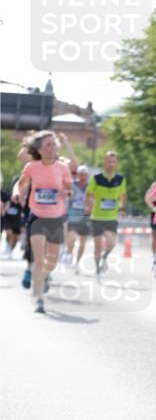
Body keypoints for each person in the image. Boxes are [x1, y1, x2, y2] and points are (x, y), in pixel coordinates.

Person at [15, 131, 72, 313]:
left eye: (54, 144)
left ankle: (42, 277)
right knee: (38, 259)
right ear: (39, 150)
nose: (52, 148)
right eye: (48, 145)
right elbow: (21, 183)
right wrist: (18, 193)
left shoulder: (62, 167)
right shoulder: (32, 167)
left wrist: (65, 192)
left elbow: (69, 188)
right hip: (37, 216)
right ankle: (39, 298)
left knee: (51, 262)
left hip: (56, 217)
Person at [85, 152, 127, 276]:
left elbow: (122, 195)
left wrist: (122, 208)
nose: (111, 164)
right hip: (97, 216)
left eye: (113, 162)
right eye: (109, 161)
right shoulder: (96, 178)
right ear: (104, 162)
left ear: (116, 163)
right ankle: (97, 267)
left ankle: (105, 256)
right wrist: (89, 204)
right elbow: (88, 194)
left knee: (112, 242)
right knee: (97, 244)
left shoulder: (120, 179)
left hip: (111, 217)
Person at [65, 166, 91, 272]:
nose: (83, 177)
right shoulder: (72, 185)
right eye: (81, 174)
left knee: (82, 242)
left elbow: (94, 200)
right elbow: (66, 196)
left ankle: (77, 263)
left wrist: (90, 207)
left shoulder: (90, 187)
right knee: (71, 238)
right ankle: (69, 253)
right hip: (73, 216)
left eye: (85, 174)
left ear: (87, 175)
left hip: (85, 217)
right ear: (78, 174)